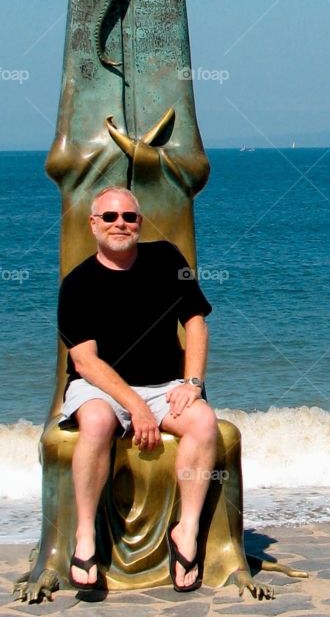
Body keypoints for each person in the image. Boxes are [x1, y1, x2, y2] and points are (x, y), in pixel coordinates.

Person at [57, 185, 219, 592]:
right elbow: (85, 362)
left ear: (139, 223)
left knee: (202, 421)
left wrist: (193, 383)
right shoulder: (77, 284)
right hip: (99, 387)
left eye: (129, 217)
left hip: (163, 384)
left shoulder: (166, 259)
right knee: (95, 421)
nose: (120, 224)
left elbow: (196, 321)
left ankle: (187, 530)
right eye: (110, 217)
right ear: (93, 224)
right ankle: (85, 536)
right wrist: (134, 406)